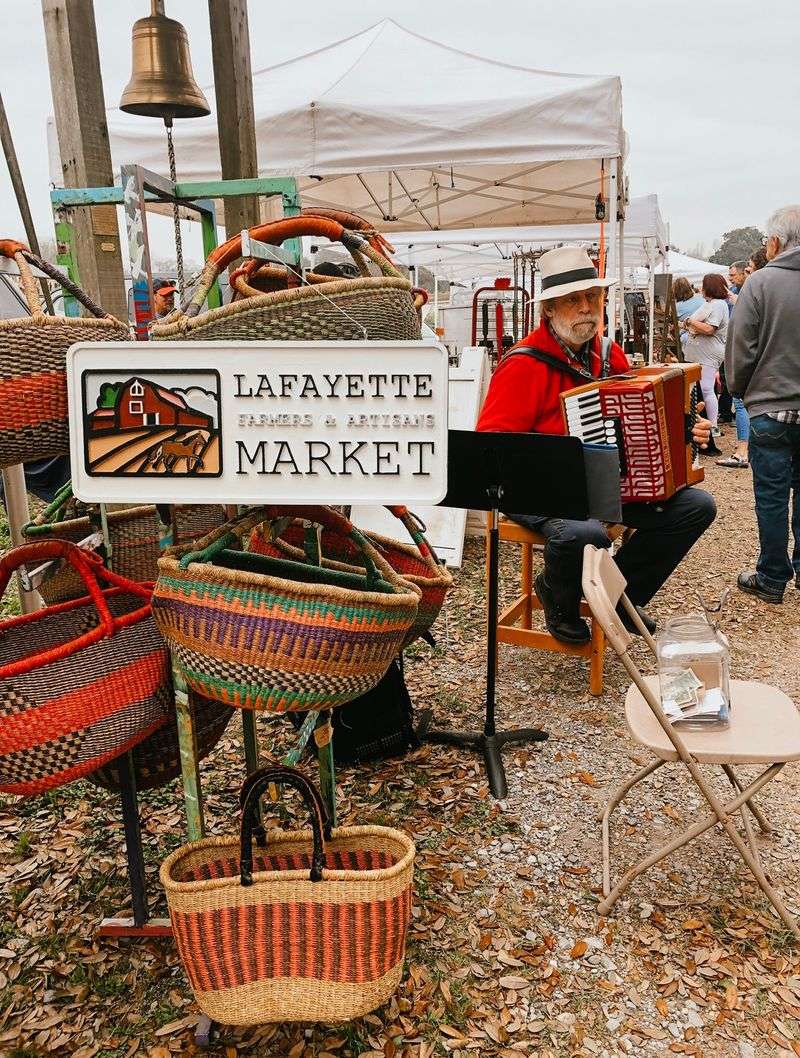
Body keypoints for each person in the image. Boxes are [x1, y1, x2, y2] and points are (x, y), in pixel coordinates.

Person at [476, 246, 715, 645]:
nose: (587, 307)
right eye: (574, 299)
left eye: (593, 296)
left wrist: (687, 428)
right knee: (584, 533)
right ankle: (558, 596)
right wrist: (556, 464)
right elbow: (493, 450)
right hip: (539, 489)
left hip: (608, 484)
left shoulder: (609, 354)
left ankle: (619, 594)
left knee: (696, 507)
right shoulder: (523, 365)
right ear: (549, 309)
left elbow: (645, 418)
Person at [726, 205, 800, 603]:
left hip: (771, 407)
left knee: (771, 494)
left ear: (774, 242)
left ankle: (772, 577)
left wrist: (739, 391)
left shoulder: (760, 283)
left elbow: (741, 347)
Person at [717, 255, 767, 469]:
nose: (745, 275)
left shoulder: (755, 293)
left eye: (749, 270)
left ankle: (743, 450)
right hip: (747, 354)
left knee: (742, 402)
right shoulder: (744, 292)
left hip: (749, 356)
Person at [683, 273, 729, 440]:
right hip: (703, 353)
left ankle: (712, 426)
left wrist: (690, 322)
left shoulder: (717, 305)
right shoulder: (712, 304)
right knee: (705, 389)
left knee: (707, 389)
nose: (701, 289)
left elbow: (710, 329)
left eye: (704, 285)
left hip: (708, 354)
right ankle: (710, 425)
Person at [673, 277, 703, 352]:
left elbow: (674, 322)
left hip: (690, 339)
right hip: (704, 336)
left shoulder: (678, 307)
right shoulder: (701, 298)